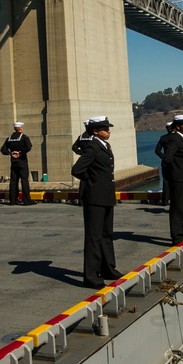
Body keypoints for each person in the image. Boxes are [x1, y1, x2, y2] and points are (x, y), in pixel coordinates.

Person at [71, 116, 121, 289]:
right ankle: (91, 276)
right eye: (105, 128)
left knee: (107, 234)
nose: (109, 131)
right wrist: (92, 180)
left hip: (106, 196)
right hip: (95, 198)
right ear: (95, 131)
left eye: (108, 128)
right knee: (93, 237)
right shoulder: (92, 146)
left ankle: (108, 268)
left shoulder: (104, 145)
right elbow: (77, 170)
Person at [162, 114, 183, 243]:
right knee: (177, 207)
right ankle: (177, 236)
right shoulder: (175, 140)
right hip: (178, 178)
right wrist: (174, 173)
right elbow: (167, 158)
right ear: (178, 126)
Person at [0, 121, 33, 205]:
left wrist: (11, 153)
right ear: (21, 128)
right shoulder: (24, 137)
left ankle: (13, 200)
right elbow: (29, 147)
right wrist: (20, 153)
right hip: (22, 161)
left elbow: (3, 150)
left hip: (13, 162)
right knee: (24, 181)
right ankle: (27, 200)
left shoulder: (9, 138)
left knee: (13, 181)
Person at [153, 122, 175, 206]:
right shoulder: (176, 138)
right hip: (174, 162)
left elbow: (157, 150)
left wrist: (164, 157)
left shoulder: (163, 138)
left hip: (165, 162)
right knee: (175, 181)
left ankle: (165, 201)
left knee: (166, 182)